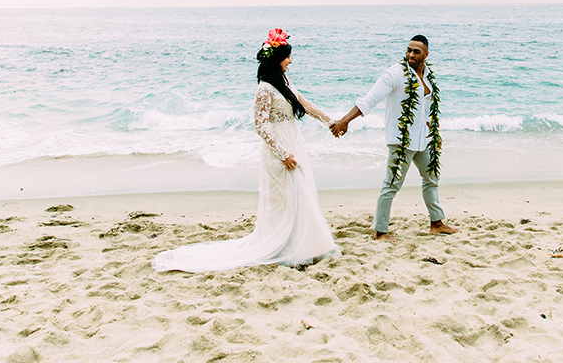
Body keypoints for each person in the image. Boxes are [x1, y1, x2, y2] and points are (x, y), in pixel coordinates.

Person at [152, 28, 340, 272]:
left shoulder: (284, 82)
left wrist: (332, 123)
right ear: (276, 59)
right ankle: (285, 247)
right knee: (286, 198)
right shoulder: (264, 89)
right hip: (279, 150)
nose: (291, 61)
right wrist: (283, 154)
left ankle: (300, 244)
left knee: (300, 194)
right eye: (287, 57)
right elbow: (261, 126)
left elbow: (305, 104)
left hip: (293, 141)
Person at [330, 35, 458, 242]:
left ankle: (437, 223)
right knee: (391, 184)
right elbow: (370, 99)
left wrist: (435, 134)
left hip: (424, 139)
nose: (411, 55)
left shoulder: (427, 75)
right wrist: (345, 120)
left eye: (416, 52)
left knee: (431, 178)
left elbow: (426, 109)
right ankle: (381, 232)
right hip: (402, 140)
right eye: (409, 50)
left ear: (426, 54)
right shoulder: (394, 74)